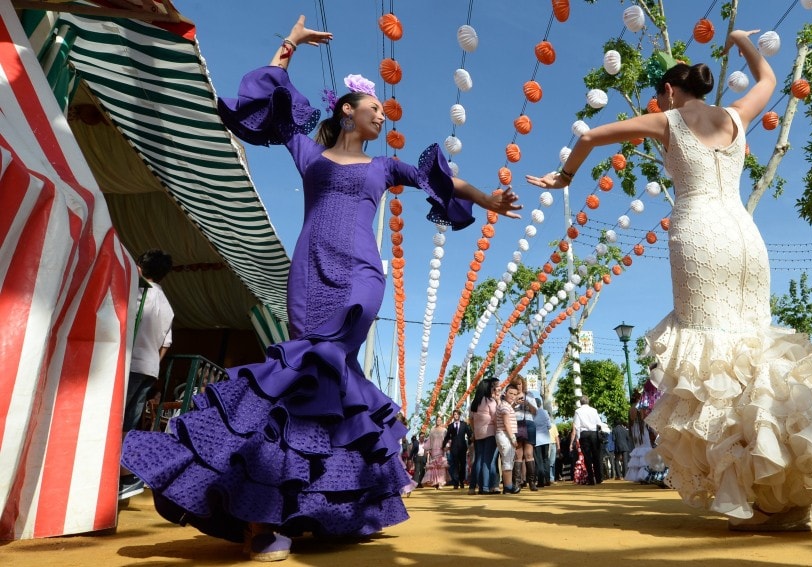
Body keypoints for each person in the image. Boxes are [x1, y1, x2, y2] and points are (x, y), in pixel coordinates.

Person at [120, 15, 521, 563]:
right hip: (310, 271)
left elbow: (441, 181)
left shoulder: (385, 166)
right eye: (374, 105)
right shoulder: (309, 154)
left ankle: (278, 517)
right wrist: (289, 45)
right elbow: (272, 102)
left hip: (361, 273)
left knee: (323, 362)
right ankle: (295, 511)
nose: (383, 112)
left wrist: (487, 200)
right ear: (347, 110)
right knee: (307, 381)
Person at [528, 29, 812, 532]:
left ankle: (765, 493)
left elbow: (588, 136)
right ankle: (810, 474)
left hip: (698, 236)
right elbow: (770, 76)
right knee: (758, 350)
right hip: (745, 238)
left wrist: (565, 178)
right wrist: (739, 38)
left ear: (668, 91)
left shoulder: (668, 118)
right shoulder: (735, 115)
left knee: (714, 362)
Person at [119, 249, 174, 501]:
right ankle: (125, 475)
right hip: (149, 367)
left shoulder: (136, 293)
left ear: (139, 267)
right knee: (129, 423)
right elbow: (166, 344)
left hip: (128, 363)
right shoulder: (167, 305)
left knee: (113, 420)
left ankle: (116, 476)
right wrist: (153, 363)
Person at [469, 379, 500, 494]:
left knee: (478, 461)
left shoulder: (475, 403)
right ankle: (485, 487)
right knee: (488, 461)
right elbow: (496, 418)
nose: (493, 389)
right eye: (492, 387)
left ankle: (473, 487)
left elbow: (471, 419)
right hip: (490, 433)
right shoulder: (490, 401)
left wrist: (474, 431)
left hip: (478, 434)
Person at [569, 395, 602, 485]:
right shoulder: (594, 410)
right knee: (596, 456)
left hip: (584, 434)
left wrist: (578, 438)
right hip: (594, 433)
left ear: (580, 402)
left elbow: (577, 426)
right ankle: (599, 478)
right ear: (588, 402)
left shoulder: (578, 411)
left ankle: (591, 479)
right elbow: (599, 423)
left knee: (587, 457)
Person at [495, 383, 520, 494]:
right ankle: (508, 486)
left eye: (515, 394)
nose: (512, 396)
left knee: (508, 460)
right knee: (507, 462)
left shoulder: (505, 405)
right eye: (510, 393)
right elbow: (506, 422)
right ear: (505, 393)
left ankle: (508, 486)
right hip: (505, 435)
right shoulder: (505, 406)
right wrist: (513, 438)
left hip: (503, 434)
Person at [442, 410, 473, 490]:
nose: (455, 416)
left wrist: (471, 442)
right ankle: (456, 482)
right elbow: (447, 436)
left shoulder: (464, 424)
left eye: (456, 414)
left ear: (459, 415)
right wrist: (443, 445)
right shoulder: (451, 426)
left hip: (462, 447)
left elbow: (469, 434)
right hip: (454, 447)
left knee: (463, 465)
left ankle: (461, 481)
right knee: (455, 465)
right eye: (454, 414)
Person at [533, 396, 553, 488]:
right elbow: (549, 426)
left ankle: (540, 481)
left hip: (536, 440)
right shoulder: (545, 412)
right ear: (540, 404)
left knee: (539, 461)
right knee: (546, 459)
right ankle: (548, 479)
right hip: (545, 439)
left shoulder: (532, 413)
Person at [425, 415, 450, 489]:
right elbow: (429, 440)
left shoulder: (444, 430)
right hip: (433, 449)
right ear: (435, 421)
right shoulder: (432, 430)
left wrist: (446, 446)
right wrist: (428, 448)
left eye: (439, 420)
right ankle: (435, 481)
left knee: (441, 465)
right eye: (437, 420)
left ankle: (441, 482)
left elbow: (446, 439)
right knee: (434, 466)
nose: (438, 421)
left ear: (441, 421)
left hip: (441, 449)